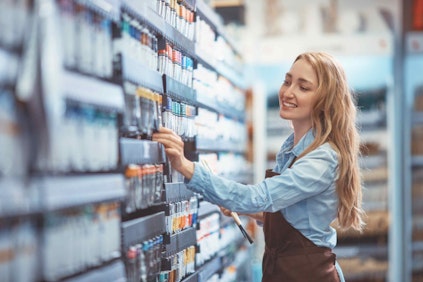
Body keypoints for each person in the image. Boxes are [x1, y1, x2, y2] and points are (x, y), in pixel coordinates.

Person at [152, 51, 365, 282]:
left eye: (303, 87)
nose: (288, 92)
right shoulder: (292, 148)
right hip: (284, 271)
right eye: (287, 81)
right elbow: (292, 214)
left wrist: (185, 166)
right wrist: (242, 209)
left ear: (325, 101)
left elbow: (258, 197)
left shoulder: (322, 160)